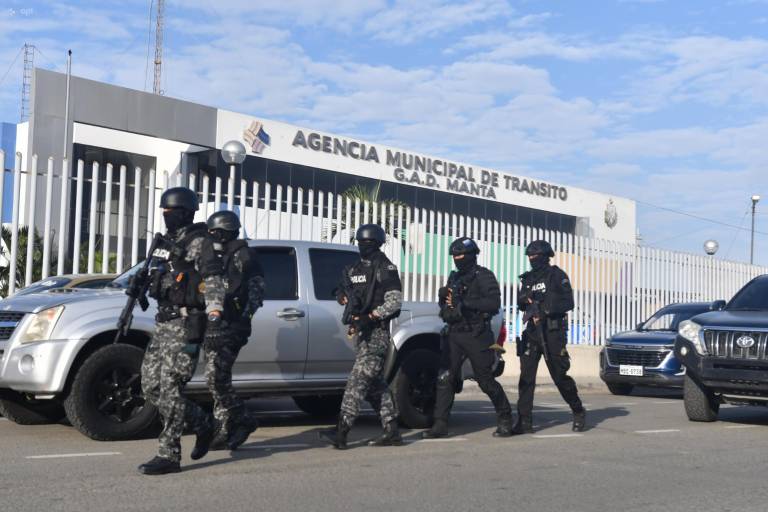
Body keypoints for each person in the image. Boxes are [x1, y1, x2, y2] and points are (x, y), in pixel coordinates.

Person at [137, 187, 224, 475]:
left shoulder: (200, 242)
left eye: (170, 211)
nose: (165, 216)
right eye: (163, 211)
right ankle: (202, 422)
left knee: (172, 387)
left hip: (186, 324)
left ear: (185, 212)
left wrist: (214, 315)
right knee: (150, 387)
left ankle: (169, 454)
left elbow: (213, 279)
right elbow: (155, 275)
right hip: (162, 324)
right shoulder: (164, 242)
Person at [320, 224, 403, 449]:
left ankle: (342, 431)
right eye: (361, 242)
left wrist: (372, 316)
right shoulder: (354, 269)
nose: (363, 246)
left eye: (368, 243)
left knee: (357, 381)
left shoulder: (386, 268)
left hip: (377, 333)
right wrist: (342, 297)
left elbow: (395, 302)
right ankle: (392, 430)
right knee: (375, 385)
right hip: (360, 334)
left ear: (377, 244)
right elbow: (344, 291)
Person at [423, 237, 514, 439]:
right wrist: (444, 299)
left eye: (460, 255)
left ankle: (505, 418)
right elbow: (448, 305)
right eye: (454, 256)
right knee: (444, 377)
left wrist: (465, 302)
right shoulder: (454, 278)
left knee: (485, 380)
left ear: (471, 255)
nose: (457, 259)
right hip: (454, 333)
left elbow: (492, 303)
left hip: (476, 334)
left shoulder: (484, 276)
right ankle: (440, 424)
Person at [202, 210, 266, 451]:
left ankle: (243, 418)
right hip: (216, 324)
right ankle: (226, 429)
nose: (210, 236)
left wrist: (242, 318)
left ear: (224, 231)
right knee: (218, 376)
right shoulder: (217, 256)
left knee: (215, 377)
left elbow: (257, 291)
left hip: (233, 326)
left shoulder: (244, 255)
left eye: (214, 231)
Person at [513, 240, 586, 435]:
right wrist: (525, 300)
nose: (531, 259)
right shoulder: (527, 279)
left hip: (552, 332)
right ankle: (524, 421)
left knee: (559, 375)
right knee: (526, 378)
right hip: (532, 332)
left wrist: (545, 310)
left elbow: (568, 302)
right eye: (529, 256)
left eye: (535, 256)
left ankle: (578, 410)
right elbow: (520, 300)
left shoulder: (557, 275)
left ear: (545, 256)